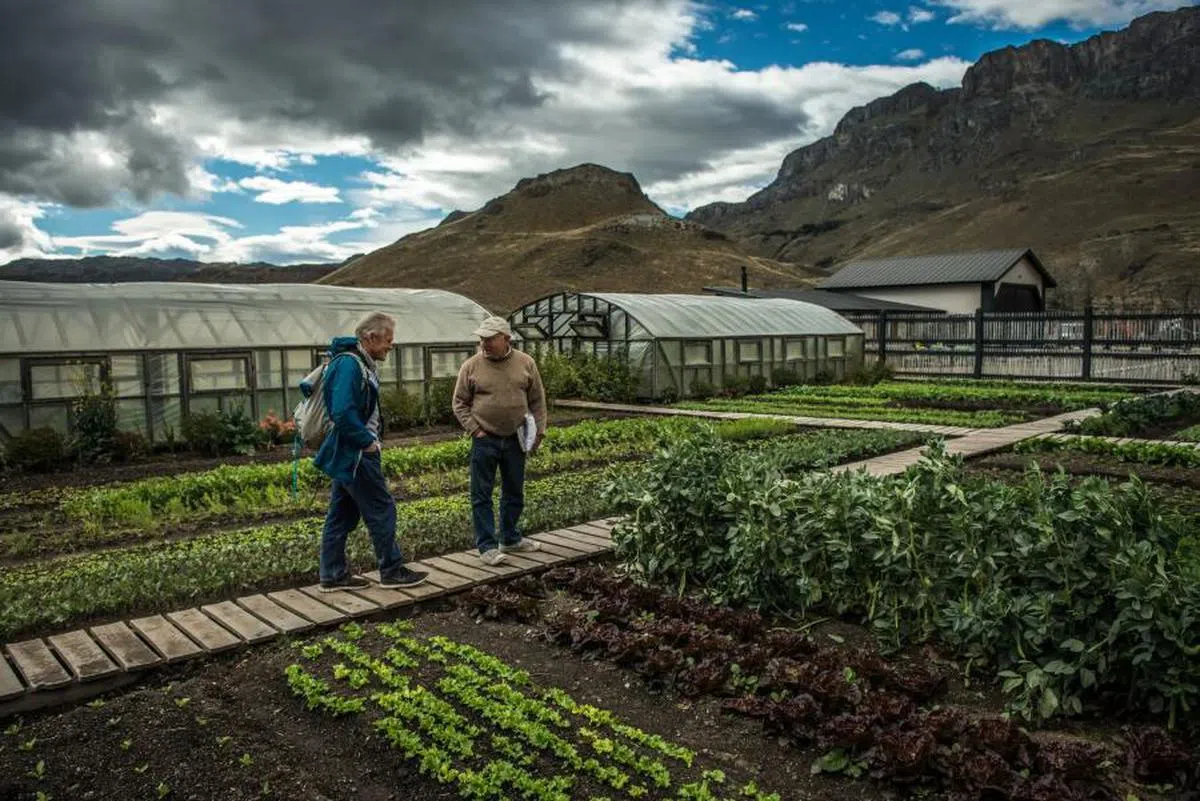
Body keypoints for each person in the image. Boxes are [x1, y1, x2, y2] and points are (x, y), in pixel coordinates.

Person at [309, 311, 428, 591]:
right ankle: (391, 571)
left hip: (348, 452)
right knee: (381, 509)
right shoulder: (350, 365)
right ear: (371, 337)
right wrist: (367, 442)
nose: (390, 346)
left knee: (341, 514)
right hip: (356, 453)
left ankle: (333, 575)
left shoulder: (355, 362)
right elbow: (342, 411)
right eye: (388, 340)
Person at [452, 315, 547, 565]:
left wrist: (539, 431)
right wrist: (476, 430)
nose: (484, 343)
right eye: (482, 339)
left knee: (514, 491)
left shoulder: (525, 363)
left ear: (506, 339)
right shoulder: (471, 366)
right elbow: (459, 403)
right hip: (485, 439)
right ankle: (487, 546)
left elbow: (537, 400)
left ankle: (510, 538)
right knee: (481, 494)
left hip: (516, 438)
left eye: (490, 339)